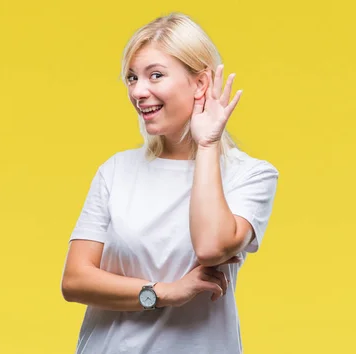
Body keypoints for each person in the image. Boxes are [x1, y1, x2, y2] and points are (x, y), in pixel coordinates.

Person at [60, 12, 279, 354]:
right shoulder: (116, 171)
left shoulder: (250, 175)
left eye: (155, 75)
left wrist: (206, 144)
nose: (138, 91)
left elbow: (210, 247)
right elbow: (75, 281)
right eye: (132, 78)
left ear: (201, 84)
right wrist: (162, 292)